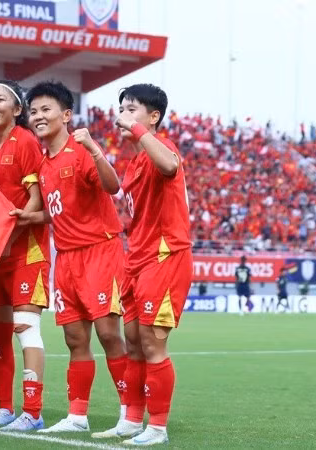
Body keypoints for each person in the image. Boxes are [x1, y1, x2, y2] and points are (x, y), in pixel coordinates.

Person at [12, 80, 128, 433]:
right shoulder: (44, 164)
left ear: (66, 115)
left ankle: (130, 412)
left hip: (99, 252)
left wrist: (94, 148)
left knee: (109, 334)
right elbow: (60, 210)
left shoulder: (80, 152)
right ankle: (77, 415)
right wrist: (32, 217)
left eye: (46, 109)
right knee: (75, 339)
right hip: (66, 259)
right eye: (33, 111)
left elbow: (112, 187)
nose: (38, 116)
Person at [105, 83, 192, 445]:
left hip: (164, 256)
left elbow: (171, 165)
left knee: (153, 344)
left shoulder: (162, 148)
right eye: (121, 108)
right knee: (134, 343)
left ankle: (157, 427)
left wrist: (139, 131)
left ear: (153, 117)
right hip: (137, 260)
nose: (122, 114)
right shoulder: (137, 160)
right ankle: (131, 418)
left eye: (131, 108)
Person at [0, 80, 50, 431]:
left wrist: (10, 235)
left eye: (0, 98)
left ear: (17, 110)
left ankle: (32, 411)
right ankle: (5, 408)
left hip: (25, 251)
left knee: (26, 328)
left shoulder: (27, 141)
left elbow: (37, 198)